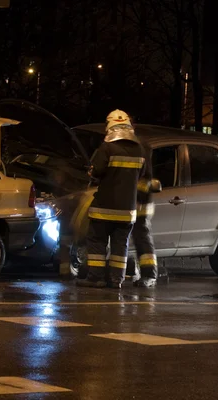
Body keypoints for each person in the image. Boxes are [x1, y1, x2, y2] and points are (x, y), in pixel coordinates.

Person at [77, 109, 146, 289]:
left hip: (104, 208)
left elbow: (97, 172)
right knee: (120, 246)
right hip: (127, 210)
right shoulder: (139, 149)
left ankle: (95, 278)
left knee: (97, 241)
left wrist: (91, 171)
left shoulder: (107, 147)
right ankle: (117, 280)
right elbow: (141, 174)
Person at [133, 142, 161, 288]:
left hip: (141, 206)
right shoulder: (135, 148)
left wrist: (138, 198)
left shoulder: (140, 149)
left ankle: (149, 274)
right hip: (128, 204)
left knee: (142, 239)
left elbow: (145, 181)